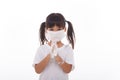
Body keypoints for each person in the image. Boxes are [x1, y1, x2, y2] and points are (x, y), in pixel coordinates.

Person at [32, 13, 76, 80]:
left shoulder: (67, 49)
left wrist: (57, 57)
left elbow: (67, 70)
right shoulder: (42, 49)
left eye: (58, 29)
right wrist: (49, 55)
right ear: (46, 30)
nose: (55, 32)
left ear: (64, 29)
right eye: (51, 30)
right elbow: (37, 70)